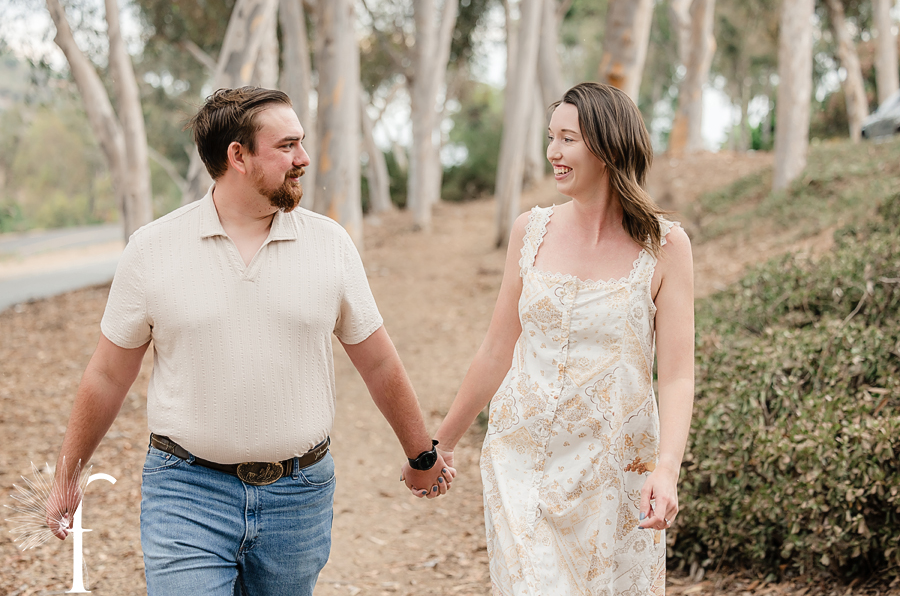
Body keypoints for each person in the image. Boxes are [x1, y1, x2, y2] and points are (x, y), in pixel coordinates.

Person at [48, 86, 453, 596]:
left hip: (298, 496)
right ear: (237, 156)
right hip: (186, 492)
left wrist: (422, 456)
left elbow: (378, 363)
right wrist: (68, 474)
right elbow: (108, 375)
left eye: (301, 143)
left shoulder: (330, 245)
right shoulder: (152, 250)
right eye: (286, 146)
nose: (303, 158)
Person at [411, 82, 695, 594]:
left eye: (568, 139)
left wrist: (667, 470)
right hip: (521, 458)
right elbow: (497, 348)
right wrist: (440, 446)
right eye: (551, 137)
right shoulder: (530, 231)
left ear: (607, 148)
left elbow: (676, 375)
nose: (552, 153)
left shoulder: (665, 245)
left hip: (615, 472)